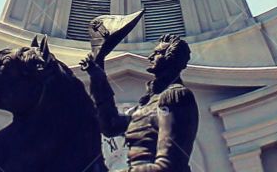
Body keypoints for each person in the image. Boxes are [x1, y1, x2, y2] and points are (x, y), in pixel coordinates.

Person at [80, 33, 198, 172]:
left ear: (170, 58)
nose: (150, 57)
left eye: (157, 53)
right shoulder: (149, 103)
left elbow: (168, 166)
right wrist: (97, 76)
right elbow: (110, 125)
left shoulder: (176, 96)